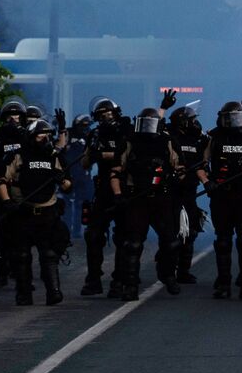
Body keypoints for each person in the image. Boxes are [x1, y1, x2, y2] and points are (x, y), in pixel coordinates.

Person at [0, 118, 71, 305]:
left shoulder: (53, 157)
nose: (44, 138)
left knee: (49, 254)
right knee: (21, 255)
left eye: (47, 135)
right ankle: (23, 293)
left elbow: (68, 185)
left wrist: (62, 179)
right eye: (40, 135)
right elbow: (2, 180)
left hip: (46, 213)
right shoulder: (18, 156)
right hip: (23, 212)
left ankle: (53, 291)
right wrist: (6, 202)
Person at [113, 105, 183, 300]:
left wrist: (178, 178)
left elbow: (180, 166)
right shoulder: (129, 142)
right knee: (133, 244)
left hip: (162, 198)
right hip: (137, 199)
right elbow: (116, 171)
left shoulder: (167, 142)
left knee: (171, 242)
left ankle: (167, 274)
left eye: (151, 124)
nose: (147, 128)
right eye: (143, 123)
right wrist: (118, 194)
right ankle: (130, 286)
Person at [198, 101, 242, 300]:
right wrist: (206, 182)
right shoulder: (213, 137)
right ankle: (224, 283)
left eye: (239, 117)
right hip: (221, 194)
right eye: (231, 117)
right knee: (223, 240)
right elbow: (201, 164)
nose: (236, 122)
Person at [81, 98, 131, 297]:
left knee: (124, 237)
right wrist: (93, 153)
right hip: (102, 189)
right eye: (101, 116)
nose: (105, 118)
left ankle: (119, 280)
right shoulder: (95, 134)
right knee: (93, 235)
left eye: (108, 114)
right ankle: (93, 279)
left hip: (124, 189)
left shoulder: (127, 130)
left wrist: (103, 155)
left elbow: (127, 157)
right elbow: (85, 163)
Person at [0, 100, 29, 291]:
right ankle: (0, 274)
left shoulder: (28, 137)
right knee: (1, 236)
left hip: (24, 192)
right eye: (9, 117)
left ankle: (23, 277)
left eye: (17, 116)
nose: (13, 119)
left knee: (23, 236)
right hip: (1, 193)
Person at [168, 106, 207, 284]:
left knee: (190, 232)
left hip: (190, 191)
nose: (194, 123)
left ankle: (184, 271)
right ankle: (168, 269)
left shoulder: (197, 140)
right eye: (191, 120)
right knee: (172, 232)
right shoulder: (170, 137)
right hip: (172, 191)